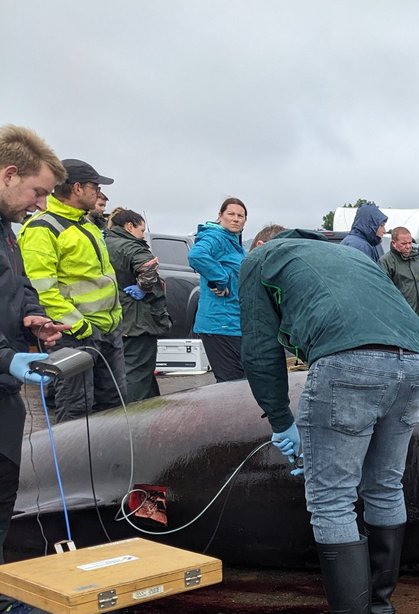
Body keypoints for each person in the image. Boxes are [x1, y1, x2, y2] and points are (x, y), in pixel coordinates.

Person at [240, 225, 419, 614]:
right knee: (384, 486)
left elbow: (259, 348)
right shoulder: (351, 255)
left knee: (332, 500)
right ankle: (379, 606)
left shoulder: (259, 260)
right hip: (412, 362)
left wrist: (281, 421)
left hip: (347, 363)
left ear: (262, 244)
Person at [0, 124, 68, 561]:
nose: (41, 205)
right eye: (38, 191)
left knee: (5, 486)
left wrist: (32, 319)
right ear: (9, 175)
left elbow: (21, 284)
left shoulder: (9, 230)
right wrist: (7, 358)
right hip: (4, 368)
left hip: (4, 390)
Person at [18, 158, 126, 423]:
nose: (99, 193)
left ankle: (111, 463)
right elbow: (41, 290)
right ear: (77, 188)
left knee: (115, 406)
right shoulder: (41, 229)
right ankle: (74, 465)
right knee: (77, 412)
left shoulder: (87, 224)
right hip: (74, 335)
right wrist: (80, 327)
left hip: (108, 332)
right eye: (95, 187)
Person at [105, 208, 172, 401]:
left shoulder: (103, 243)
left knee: (125, 368)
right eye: (141, 230)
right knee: (137, 371)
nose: (143, 235)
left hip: (114, 316)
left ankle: (151, 408)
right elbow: (149, 266)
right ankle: (134, 416)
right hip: (137, 319)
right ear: (129, 226)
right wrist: (144, 287)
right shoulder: (131, 246)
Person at [188, 197, 247, 382]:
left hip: (234, 323)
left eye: (241, 216)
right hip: (219, 324)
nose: (236, 219)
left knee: (243, 382)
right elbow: (196, 255)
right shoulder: (216, 237)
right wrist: (221, 279)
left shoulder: (235, 244)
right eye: (231, 214)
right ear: (220, 216)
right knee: (230, 385)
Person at [381, 226, 419, 357]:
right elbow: (384, 291)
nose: (408, 246)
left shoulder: (416, 259)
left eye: (409, 243)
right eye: (403, 244)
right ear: (394, 243)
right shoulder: (387, 262)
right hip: (401, 318)